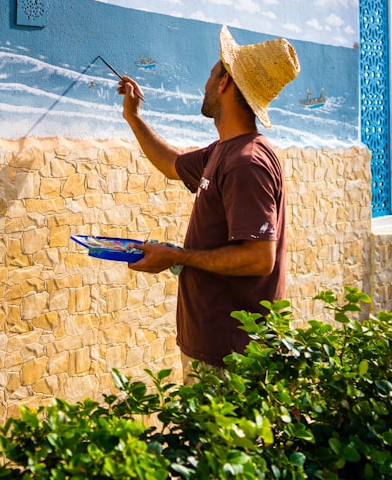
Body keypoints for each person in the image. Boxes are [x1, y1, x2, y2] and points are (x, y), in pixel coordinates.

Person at [115, 25, 300, 375]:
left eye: (212, 73)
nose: (206, 82)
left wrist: (175, 256)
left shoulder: (247, 162)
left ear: (225, 83)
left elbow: (259, 257)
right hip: (216, 346)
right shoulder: (224, 151)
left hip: (231, 355)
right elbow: (171, 164)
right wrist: (133, 117)